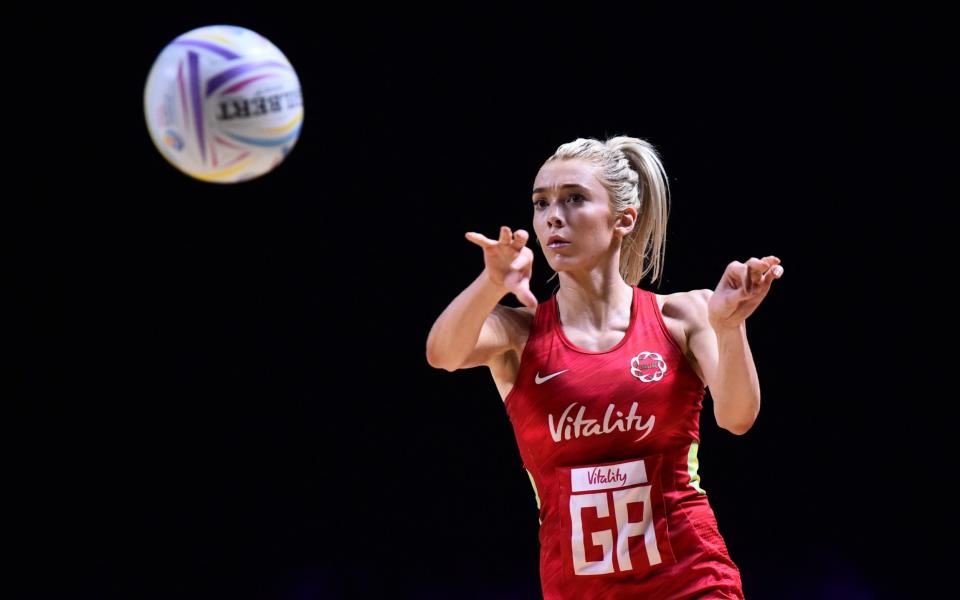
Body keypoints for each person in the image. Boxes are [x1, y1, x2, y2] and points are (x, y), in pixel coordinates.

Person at [425, 136, 783, 599]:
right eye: (541, 203)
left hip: (692, 581)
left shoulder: (684, 315)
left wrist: (729, 327)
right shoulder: (519, 332)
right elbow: (442, 354)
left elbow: (737, 418)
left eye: (574, 198)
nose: (553, 215)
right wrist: (491, 283)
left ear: (623, 219)